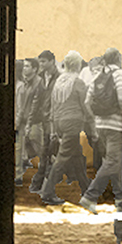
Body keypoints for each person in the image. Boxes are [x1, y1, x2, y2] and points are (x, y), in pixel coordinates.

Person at [36, 51, 94, 206]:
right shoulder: (78, 82)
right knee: (62, 158)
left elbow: (53, 105)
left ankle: (87, 189)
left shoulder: (59, 81)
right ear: (78, 65)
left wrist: (54, 127)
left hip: (59, 122)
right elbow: (85, 106)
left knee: (77, 156)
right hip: (73, 123)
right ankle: (48, 192)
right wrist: (92, 124)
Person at [80, 47, 122, 212]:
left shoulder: (97, 76)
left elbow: (87, 102)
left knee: (113, 162)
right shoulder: (120, 75)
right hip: (115, 126)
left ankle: (120, 198)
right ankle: (90, 196)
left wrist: (94, 120)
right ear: (119, 59)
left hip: (100, 125)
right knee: (112, 161)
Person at [28, 50, 60, 193]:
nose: (41, 64)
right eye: (40, 61)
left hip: (55, 121)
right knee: (46, 153)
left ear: (52, 62)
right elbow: (36, 100)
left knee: (51, 153)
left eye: (43, 61)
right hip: (44, 121)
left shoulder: (59, 78)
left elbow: (59, 101)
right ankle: (42, 185)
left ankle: (44, 185)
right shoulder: (41, 78)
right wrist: (30, 121)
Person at [15, 57, 44, 185]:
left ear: (35, 69)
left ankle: (50, 169)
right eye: (24, 66)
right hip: (23, 121)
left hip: (34, 122)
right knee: (18, 148)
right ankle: (18, 176)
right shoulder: (23, 84)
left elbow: (35, 106)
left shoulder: (39, 83)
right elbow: (20, 105)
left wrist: (29, 123)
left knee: (38, 147)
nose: (24, 68)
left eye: (27, 66)